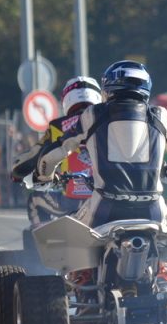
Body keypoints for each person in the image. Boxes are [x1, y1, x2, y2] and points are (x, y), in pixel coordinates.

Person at [24, 61, 167, 231]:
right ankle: (164, 263)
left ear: (107, 88)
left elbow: (55, 152)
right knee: (165, 250)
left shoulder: (93, 114)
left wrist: (43, 176)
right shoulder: (161, 116)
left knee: (75, 245)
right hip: (153, 210)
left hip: (105, 209)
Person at [12, 76, 103, 226]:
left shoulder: (57, 126)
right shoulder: (107, 122)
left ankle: (43, 246)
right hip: (105, 199)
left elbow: (34, 155)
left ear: (67, 99)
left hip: (70, 201)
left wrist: (17, 172)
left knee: (35, 199)